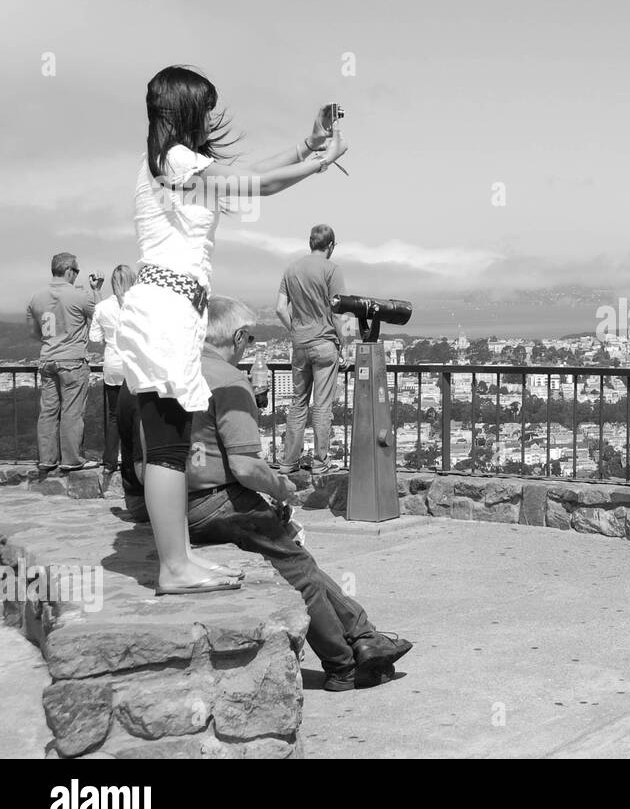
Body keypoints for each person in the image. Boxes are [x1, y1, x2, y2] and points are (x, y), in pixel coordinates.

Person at [115, 65, 349, 595]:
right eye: (206, 107)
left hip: (173, 308)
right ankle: (175, 565)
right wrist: (318, 163)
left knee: (170, 443)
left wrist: (303, 147)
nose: (211, 117)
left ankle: (179, 560)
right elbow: (254, 184)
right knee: (170, 446)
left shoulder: (175, 163)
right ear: (185, 109)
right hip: (166, 308)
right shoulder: (174, 161)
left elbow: (246, 175)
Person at [121, 296, 412, 691]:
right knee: (298, 569)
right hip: (216, 501)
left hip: (171, 508)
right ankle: (343, 664)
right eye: (250, 338)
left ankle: (365, 636)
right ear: (238, 337)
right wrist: (284, 489)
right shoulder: (226, 379)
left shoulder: (168, 372)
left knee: (294, 556)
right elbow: (244, 467)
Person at [276, 225, 353, 475]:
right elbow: (340, 313)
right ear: (331, 246)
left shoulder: (291, 269)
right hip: (324, 344)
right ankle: (321, 462)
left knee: (298, 404)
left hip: (299, 345)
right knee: (322, 406)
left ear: (310, 243)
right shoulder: (332, 270)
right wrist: (347, 346)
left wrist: (295, 330)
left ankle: (288, 462)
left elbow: (279, 308)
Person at [27, 253, 102, 475]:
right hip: (73, 361)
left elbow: (34, 333)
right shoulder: (78, 296)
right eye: (76, 271)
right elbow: (101, 316)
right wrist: (96, 289)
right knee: (72, 411)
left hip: (47, 358)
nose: (76, 275)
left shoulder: (36, 298)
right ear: (69, 270)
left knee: (48, 411)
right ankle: (71, 459)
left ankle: (47, 459)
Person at [88, 265, 137, 476]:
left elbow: (95, 338)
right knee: (137, 415)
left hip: (113, 366)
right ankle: (132, 461)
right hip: (135, 366)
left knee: (115, 416)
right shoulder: (140, 306)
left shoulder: (103, 307)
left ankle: (109, 461)